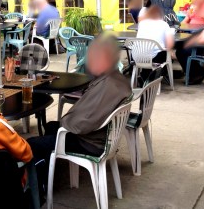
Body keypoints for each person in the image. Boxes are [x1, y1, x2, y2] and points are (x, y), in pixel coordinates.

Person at [27, 35, 132, 197]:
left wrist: (65, 123)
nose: (90, 61)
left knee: (30, 144)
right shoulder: (115, 78)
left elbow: (81, 125)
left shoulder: (109, 85)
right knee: (50, 127)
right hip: (98, 137)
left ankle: (38, 192)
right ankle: (47, 176)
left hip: (90, 142)